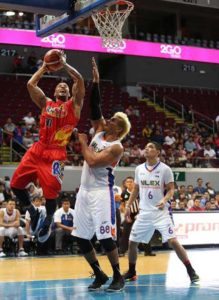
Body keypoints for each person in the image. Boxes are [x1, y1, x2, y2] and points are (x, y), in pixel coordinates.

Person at [10, 50, 85, 243]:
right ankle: (32, 211)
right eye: (59, 85)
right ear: (53, 92)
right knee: (16, 185)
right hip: (38, 149)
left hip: (56, 154)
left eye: (65, 87)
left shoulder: (74, 106)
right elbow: (30, 84)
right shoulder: (45, 103)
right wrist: (45, 66)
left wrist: (64, 64)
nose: (62, 86)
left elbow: (79, 80)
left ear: (69, 93)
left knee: (51, 193)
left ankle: (48, 220)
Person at [72, 57, 131, 292]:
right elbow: (94, 107)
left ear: (119, 128)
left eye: (114, 119)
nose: (108, 119)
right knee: (80, 237)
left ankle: (118, 276)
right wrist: (95, 81)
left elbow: (93, 161)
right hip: (84, 192)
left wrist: (83, 142)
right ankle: (99, 272)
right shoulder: (100, 131)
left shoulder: (117, 147)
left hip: (101, 194)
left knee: (106, 237)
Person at [123, 142, 199, 283]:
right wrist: (128, 206)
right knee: (132, 243)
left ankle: (191, 271)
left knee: (173, 241)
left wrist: (164, 200)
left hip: (160, 212)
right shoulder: (139, 169)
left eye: (151, 147)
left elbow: (171, 189)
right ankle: (132, 272)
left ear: (158, 152)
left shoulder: (165, 169)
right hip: (144, 212)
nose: (147, 149)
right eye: (146, 147)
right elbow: (136, 189)